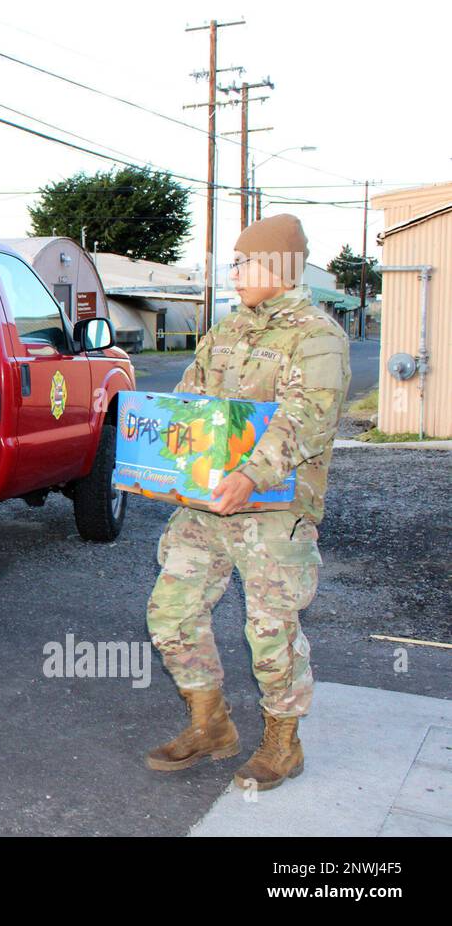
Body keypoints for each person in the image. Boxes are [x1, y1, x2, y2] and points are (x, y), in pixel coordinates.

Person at [144, 214, 350, 791]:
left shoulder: (318, 336)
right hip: (207, 503)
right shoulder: (228, 329)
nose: (236, 274)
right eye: (234, 262)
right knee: (171, 612)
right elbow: (191, 399)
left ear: (282, 267)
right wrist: (160, 456)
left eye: (247, 262)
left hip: (273, 508)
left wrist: (253, 476)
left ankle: (283, 743)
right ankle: (210, 726)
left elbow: (308, 417)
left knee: (271, 629)